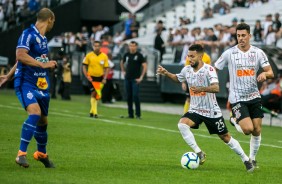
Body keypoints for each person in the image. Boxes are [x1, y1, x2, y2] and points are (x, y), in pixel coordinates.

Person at [157, 44, 255, 172]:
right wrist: (166, 73)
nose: (189, 59)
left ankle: (246, 160)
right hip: (195, 110)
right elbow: (178, 78)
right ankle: (199, 152)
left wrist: (201, 88)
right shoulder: (187, 70)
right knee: (182, 125)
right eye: (188, 56)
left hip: (211, 111)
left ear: (201, 56)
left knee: (225, 137)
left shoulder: (209, 70)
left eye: (192, 56)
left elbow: (216, 88)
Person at [0, 8, 57, 168]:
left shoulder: (43, 39)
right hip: (26, 82)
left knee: (43, 121)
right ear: (50, 19)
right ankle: (21, 154)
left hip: (41, 83)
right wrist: (44, 64)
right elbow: (20, 55)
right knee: (35, 113)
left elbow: (24, 60)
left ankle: (41, 154)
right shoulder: (28, 34)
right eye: (54, 21)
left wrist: (7, 76)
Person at [214, 23, 274, 169]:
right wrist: (214, 82)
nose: (240, 38)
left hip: (254, 96)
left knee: (257, 130)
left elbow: (271, 72)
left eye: (243, 35)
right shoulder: (229, 53)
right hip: (238, 98)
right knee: (247, 130)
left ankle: (252, 159)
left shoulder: (258, 53)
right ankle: (235, 120)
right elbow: (215, 68)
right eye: (238, 36)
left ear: (249, 36)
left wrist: (264, 74)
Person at [120, 41, 147, 119]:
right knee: (129, 96)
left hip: (135, 79)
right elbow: (122, 62)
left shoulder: (139, 55)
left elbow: (145, 66)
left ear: (136, 47)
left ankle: (138, 114)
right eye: (130, 46)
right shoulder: (126, 55)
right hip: (127, 78)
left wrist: (141, 77)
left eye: (133, 46)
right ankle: (130, 114)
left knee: (135, 96)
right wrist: (123, 71)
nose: (131, 47)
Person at [182, 42, 211, 114]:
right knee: (189, 98)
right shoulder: (189, 56)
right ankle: (185, 114)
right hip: (191, 80)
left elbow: (209, 70)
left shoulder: (207, 57)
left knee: (203, 98)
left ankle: (201, 114)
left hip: (202, 81)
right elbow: (186, 69)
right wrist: (183, 82)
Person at [82, 41, 109, 118]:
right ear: (93, 46)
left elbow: (107, 68)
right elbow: (84, 66)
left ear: (100, 47)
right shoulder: (89, 55)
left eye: (98, 46)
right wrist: (87, 76)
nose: (96, 47)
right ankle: (95, 113)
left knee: (97, 95)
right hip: (91, 77)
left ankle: (91, 111)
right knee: (94, 93)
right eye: (95, 46)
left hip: (100, 77)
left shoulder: (104, 56)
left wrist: (105, 78)